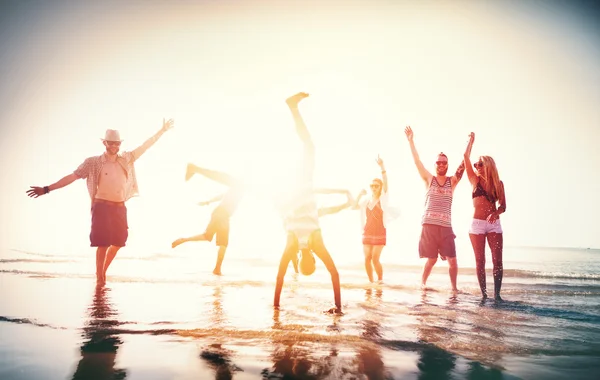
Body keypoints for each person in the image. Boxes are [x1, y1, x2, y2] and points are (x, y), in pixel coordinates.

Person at [26, 119, 175, 284]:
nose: (114, 146)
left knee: (119, 242)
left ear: (119, 144)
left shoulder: (126, 159)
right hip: (101, 206)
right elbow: (72, 176)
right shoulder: (93, 162)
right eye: (111, 143)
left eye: (117, 143)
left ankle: (103, 271)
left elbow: (145, 146)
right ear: (105, 143)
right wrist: (47, 189)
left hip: (119, 207)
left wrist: (162, 131)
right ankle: (100, 278)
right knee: (103, 243)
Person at [274, 92, 342, 314]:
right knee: (307, 147)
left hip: (301, 186)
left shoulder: (314, 241)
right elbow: (280, 274)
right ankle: (292, 108)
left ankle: (293, 107)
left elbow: (334, 273)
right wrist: (276, 306)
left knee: (308, 146)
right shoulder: (294, 244)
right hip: (292, 187)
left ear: (312, 260)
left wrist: (338, 307)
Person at [404, 126, 465, 292]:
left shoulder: (452, 181)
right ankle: (422, 284)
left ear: (447, 165)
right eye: (438, 162)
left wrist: (469, 146)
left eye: (444, 162)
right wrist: (411, 141)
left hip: (445, 227)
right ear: (435, 164)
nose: (441, 164)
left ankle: (454, 289)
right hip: (429, 226)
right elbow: (417, 162)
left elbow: (463, 166)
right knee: (431, 259)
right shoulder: (429, 179)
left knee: (452, 260)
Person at [171, 163, 244, 275]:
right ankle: (217, 269)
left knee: (207, 236)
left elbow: (222, 195)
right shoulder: (238, 185)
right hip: (222, 214)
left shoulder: (237, 189)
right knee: (223, 243)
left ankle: (183, 240)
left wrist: (208, 202)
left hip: (221, 214)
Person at [463, 132, 506, 300]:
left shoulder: (498, 184)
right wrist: (471, 142)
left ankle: (497, 295)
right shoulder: (475, 180)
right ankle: (484, 295)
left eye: (480, 164)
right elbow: (465, 156)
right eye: (476, 165)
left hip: (494, 224)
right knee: (480, 261)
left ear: (488, 165)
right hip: (477, 225)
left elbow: (503, 206)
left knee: (497, 261)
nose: (477, 167)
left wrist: (496, 213)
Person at [353, 155, 399, 283]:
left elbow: (385, 180)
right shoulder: (366, 200)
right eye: (372, 186)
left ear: (380, 187)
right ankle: (371, 282)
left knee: (375, 258)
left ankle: (380, 281)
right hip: (367, 231)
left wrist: (382, 167)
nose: (374, 188)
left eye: (376, 186)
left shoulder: (383, 198)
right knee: (367, 258)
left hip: (379, 231)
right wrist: (359, 195)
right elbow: (354, 206)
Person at [290, 189, 356, 275]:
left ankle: (347, 202)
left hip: (303, 210)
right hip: (299, 210)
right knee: (326, 208)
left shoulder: (312, 244)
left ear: (313, 259)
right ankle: (346, 202)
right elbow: (294, 258)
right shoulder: (295, 247)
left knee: (327, 209)